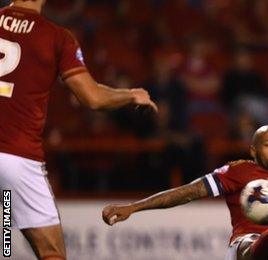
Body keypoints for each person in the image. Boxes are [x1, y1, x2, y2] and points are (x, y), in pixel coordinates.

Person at [0, 1, 158, 259]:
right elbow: (93, 97)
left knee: (3, 242)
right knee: (51, 253)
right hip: (18, 156)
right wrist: (131, 95)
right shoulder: (56, 37)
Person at [102, 125, 268, 260]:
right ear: (253, 151)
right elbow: (189, 191)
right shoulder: (239, 171)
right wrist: (133, 207)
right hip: (248, 246)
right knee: (250, 247)